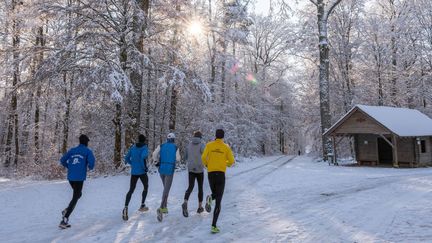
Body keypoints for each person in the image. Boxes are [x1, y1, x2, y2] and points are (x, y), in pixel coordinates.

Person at [201, 128, 235, 233]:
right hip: (220, 174)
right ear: (223, 137)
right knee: (218, 200)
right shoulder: (226, 147)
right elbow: (232, 161)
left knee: (215, 193)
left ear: (215, 135)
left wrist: (207, 164)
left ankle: (211, 197)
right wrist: (225, 164)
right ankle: (213, 226)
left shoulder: (209, 145)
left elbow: (203, 158)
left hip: (211, 173)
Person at [59, 134, 95, 229]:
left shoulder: (72, 150)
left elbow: (62, 160)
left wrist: (69, 167)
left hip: (71, 177)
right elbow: (91, 164)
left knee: (78, 195)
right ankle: (64, 219)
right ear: (86, 142)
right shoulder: (87, 151)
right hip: (79, 178)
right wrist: (88, 167)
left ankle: (66, 210)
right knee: (76, 197)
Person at [152, 132, 181, 222]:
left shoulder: (161, 146)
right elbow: (178, 159)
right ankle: (160, 208)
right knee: (166, 190)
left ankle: (165, 207)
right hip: (169, 170)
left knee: (165, 188)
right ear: (173, 139)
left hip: (161, 169)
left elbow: (154, 154)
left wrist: (156, 161)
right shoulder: (175, 147)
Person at [122, 134, 149, 221]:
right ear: (144, 140)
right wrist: (144, 168)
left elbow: (126, 158)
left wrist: (132, 164)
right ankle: (142, 205)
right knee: (146, 186)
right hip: (142, 172)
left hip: (134, 172)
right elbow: (142, 158)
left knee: (131, 190)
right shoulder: (144, 148)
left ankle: (126, 207)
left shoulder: (133, 147)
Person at [181, 131, 205, 217]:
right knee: (200, 188)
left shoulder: (189, 145)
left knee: (190, 187)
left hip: (191, 169)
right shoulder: (202, 145)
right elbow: (205, 155)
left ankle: (185, 202)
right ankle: (199, 207)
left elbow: (185, 157)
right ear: (200, 137)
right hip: (199, 169)